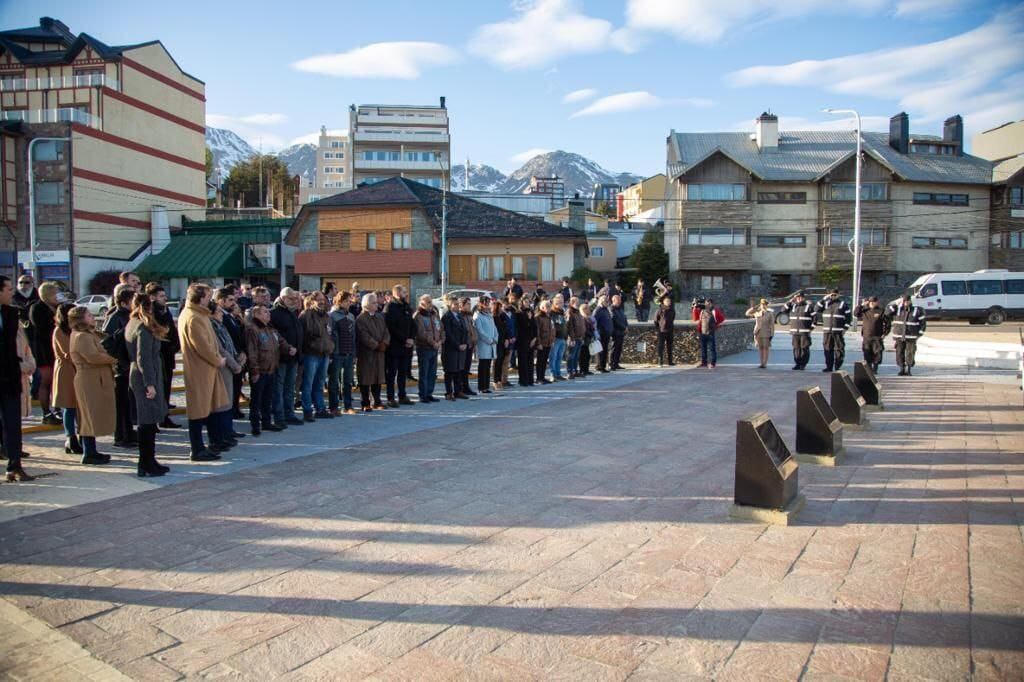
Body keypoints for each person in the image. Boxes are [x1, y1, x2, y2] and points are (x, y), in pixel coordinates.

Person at [178, 284, 227, 461]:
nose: (211, 300)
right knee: (198, 409)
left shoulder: (200, 315)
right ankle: (197, 448)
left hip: (207, 369)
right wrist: (218, 360)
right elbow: (202, 346)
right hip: (200, 369)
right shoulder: (193, 317)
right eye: (208, 296)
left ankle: (213, 442)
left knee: (209, 407)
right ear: (199, 298)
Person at [125, 294, 170, 477]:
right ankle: (146, 462)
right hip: (145, 376)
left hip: (142, 374)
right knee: (147, 421)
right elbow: (143, 357)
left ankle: (149, 461)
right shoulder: (142, 327)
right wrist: (150, 383)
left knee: (149, 421)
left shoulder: (132, 323)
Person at [68, 305, 115, 466]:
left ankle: (90, 450)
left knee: (89, 415)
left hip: (93, 376)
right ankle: (89, 452)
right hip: (89, 377)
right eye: (88, 315)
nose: (92, 317)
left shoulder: (87, 334)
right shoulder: (82, 336)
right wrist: (112, 358)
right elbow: (93, 357)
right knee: (88, 415)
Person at [1, 275, 34, 481]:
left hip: (10, 376)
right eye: (8, 289)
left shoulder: (12, 313)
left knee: (13, 422)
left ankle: (14, 465)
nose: (12, 292)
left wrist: (23, 365)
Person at [101, 284, 136, 448]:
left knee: (128, 402)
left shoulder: (130, 316)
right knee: (121, 403)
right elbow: (107, 342)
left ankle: (129, 432)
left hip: (128, 364)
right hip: (121, 368)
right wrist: (120, 362)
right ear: (123, 303)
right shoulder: (115, 317)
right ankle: (121, 435)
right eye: (132, 301)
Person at [246, 304, 289, 434]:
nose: (268, 314)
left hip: (271, 368)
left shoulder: (270, 328)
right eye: (265, 312)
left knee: (267, 399)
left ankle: (266, 422)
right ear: (257, 315)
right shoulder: (252, 329)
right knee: (256, 399)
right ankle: (255, 425)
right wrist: (254, 370)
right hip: (260, 370)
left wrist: (289, 348)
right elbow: (252, 351)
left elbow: (280, 341)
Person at [209, 300, 243, 451]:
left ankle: (228, 431)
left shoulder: (221, 325)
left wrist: (240, 356)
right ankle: (222, 435)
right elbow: (221, 349)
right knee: (222, 403)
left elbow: (231, 343)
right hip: (223, 367)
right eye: (218, 311)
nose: (221, 314)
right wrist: (235, 365)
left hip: (232, 363)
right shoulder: (212, 326)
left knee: (229, 401)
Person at [146, 283, 180, 428]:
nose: (164, 299)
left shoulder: (165, 311)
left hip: (169, 354)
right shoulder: (151, 313)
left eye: (164, 296)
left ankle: (164, 416)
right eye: (161, 296)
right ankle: (158, 417)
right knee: (159, 388)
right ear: (152, 298)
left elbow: (171, 330)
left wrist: (175, 345)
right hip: (160, 355)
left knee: (166, 387)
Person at [270, 288, 304, 426]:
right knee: (278, 388)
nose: (294, 301)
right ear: (283, 298)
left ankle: (289, 414)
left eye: (296, 299)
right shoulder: (274, 314)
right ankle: (279, 416)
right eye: (291, 299)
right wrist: (287, 348)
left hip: (294, 357)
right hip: (282, 357)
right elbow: (274, 336)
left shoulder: (293, 313)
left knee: (290, 388)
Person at [28, 281, 60, 424]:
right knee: (45, 381)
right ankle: (46, 412)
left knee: (56, 381)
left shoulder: (57, 308)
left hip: (55, 348)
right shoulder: (37, 308)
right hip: (43, 349)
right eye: (54, 294)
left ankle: (58, 408)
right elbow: (42, 329)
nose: (57, 297)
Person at [299, 291, 334, 420]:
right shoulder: (306, 315)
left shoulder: (326, 316)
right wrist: (312, 346)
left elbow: (329, 334)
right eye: (318, 299)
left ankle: (320, 409)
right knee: (308, 384)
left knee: (319, 383)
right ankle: (307, 410)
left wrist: (329, 347)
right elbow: (303, 336)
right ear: (312, 301)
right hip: (311, 354)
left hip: (324, 354)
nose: (321, 301)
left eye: (323, 299)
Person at [52, 302, 81, 454]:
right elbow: (67, 353)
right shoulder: (59, 331)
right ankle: (71, 438)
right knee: (69, 406)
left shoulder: (76, 329)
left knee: (79, 406)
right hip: (67, 370)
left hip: (79, 369)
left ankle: (82, 436)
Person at [216, 289, 247, 419]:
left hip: (237, 356)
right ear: (220, 300)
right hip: (229, 359)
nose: (234, 303)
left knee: (236, 387)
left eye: (234, 300)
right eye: (230, 300)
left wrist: (242, 352)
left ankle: (234, 410)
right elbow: (225, 341)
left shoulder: (229, 316)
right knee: (230, 390)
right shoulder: (219, 318)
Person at [356, 292, 389, 410]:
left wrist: (384, 343)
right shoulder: (361, 319)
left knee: (378, 377)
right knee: (366, 378)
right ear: (366, 304)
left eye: (376, 302)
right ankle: (365, 403)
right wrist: (376, 345)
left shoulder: (380, 316)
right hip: (367, 353)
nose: (377, 304)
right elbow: (364, 335)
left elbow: (386, 331)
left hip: (380, 353)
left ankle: (377, 401)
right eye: (374, 303)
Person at [383, 285, 415, 408]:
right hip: (394, 346)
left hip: (406, 346)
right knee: (391, 373)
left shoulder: (406, 306)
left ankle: (402, 396)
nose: (406, 294)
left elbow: (412, 324)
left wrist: (411, 338)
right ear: (396, 293)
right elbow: (390, 327)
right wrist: (404, 339)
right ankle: (390, 398)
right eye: (403, 292)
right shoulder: (390, 307)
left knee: (402, 373)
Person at [328, 292, 357, 414]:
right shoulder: (332, 316)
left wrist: (354, 354)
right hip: (336, 353)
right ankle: (334, 407)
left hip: (349, 353)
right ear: (340, 301)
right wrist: (331, 353)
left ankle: (348, 406)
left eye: (350, 301)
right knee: (334, 381)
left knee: (348, 381)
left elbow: (354, 336)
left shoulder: (351, 316)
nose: (349, 303)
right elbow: (330, 335)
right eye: (347, 301)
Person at [412, 294, 443, 403]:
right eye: (428, 302)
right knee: (424, 373)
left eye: (431, 301)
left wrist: (440, 341)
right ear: (422, 303)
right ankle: (423, 394)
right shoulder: (418, 316)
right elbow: (421, 333)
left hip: (435, 348)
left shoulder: (434, 314)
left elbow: (440, 329)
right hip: (424, 348)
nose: (431, 304)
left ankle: (429, 393)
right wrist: (433, 342)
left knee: (432, 372)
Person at [887, 294, 926, 376]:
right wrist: (896, 303)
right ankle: (901, 369)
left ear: (910, 301)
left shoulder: (917, 310)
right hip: (899, 336)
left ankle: (909, 369)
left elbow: (923, 323)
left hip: (911, 336)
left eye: (907, 301)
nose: (905, 302)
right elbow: (887, 312)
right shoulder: (897, 309)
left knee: (910, 353)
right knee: (899, 353)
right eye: (904, 301)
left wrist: (919, 334)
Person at [816, 288, 851, 372]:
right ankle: (829, 367)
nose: (833, 296)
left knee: (839, 349)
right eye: (832, 295)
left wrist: (845, 329)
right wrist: (824, 299)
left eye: (835, 295)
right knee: (828, 350)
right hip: (827, 332)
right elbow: (816, 309)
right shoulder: (826, 303)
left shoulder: (843, 304)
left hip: (838, 332)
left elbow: (848, 318)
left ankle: (838, 366)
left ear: (838, 295)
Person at [441, 295, 469, 399]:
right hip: (451, 348)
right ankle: (449, 392)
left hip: (461, 348)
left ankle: (458, 391)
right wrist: (458, 345)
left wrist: (464, 343)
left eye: (458, 304)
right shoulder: (446, 317)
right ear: (449, 305)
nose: (457, 306)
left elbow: (465, 331)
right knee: (450, 371)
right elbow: (448, 334)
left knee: (458, 371)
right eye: (455, 304)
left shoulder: (459, 316)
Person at [783, 290, 815, 371]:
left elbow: (815, 319)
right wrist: (791, 300)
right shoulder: (793, 306)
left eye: (800, 297)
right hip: (795, 332)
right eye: (797, 297)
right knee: (796, 348)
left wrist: (811, 329)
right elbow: (783, 310)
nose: (799, 299)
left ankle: (803, 364)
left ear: (803, 298)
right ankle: (797, 363)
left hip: (804, 332)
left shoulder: (808, 306)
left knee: (804, 348)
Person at [854, 296, 888, 372]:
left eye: (873, 302)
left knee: (877, 352)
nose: (872, 303)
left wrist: (885, 333)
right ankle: (868, 368)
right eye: (870, 302)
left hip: (877, 336)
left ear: (876, 302)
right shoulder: (864, 310)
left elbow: (887, 323)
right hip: (867, 336)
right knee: (867, 352)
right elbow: (855, 313)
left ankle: (875, 369)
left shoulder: (881, 311)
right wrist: (861, 305)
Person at [471, 296, 498, 394]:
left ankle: (486, 386)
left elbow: (494, 328)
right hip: (484, 345)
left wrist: (495, 338)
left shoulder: (489, 315)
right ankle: (482, 387)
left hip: (491, 344)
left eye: (488, 303)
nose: (487, 305)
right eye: (486, 303)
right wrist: (489, 340)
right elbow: (480, 331)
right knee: (482, 367)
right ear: (480, 304)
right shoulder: (477, 315)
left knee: (487, 367)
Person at [745, 298, 776, 369]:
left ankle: (765, 363)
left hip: (766, 333)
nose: (763, 306)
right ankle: (761, 363)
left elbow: (772, 325)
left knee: (766, 348)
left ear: (767, 305)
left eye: (765, 304)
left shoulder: (769, 313)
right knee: (760, 348)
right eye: (762, 304)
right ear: (760, 305)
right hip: (758, 333)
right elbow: (747, 313)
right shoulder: (757, 313)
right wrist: (753, 307)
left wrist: (772, 334)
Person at [514, 298, 536, 386]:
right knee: (523, 362)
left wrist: (534, 338)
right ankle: (523, 380)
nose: (527, 303)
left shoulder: (531, 312)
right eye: (525, 302)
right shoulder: (519, 313)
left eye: (528, 301)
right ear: (522, 303)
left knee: (530, 361)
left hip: (531, 340)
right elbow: (524, 326)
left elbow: (534, 327)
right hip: (522, 341)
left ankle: (530, 380)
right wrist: (529, 319)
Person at [459, 297, 478, 396]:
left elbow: (472, 329)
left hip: (470, 344)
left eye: (470, 304)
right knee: (462, 368)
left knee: (467, 368)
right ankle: (461, 388)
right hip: (463, 344)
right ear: (462, 305)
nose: (469, 306)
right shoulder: (460, 315)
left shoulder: (469, 316)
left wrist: (474, 340)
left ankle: (466, 387)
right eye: (467, 304)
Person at [533, 300, 555, 384]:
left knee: (545, 361)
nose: (549, 308)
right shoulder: (538, 317)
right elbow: (537, 331)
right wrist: (538, 343)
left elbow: (552, 329)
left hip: (548, 341)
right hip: (541, 342)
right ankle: (539, 378)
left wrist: (552, 340)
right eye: (547, 307)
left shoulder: (548, 317)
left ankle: (542, 377)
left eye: (549, 306)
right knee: (540, 361)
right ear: (542, 308)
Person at [548, 295, 569, 380]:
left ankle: (558, 373)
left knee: (559, 357)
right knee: (553, 357)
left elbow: (564, 325)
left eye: (561, 303)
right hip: (555, 338)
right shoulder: (552, 313)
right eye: (559, 303)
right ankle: (552, 374)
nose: (561, 304)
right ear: (554, 303)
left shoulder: (562, 312)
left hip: (563, 338)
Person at [491, 299, 509, 391]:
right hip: (497, 342)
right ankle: (495, 380)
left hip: (503, 342)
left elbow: (505, 329)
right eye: (501, 307)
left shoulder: (502, 316)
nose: (502, 308)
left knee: (501, 361)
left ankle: (499, 380)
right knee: (497, 362)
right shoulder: (493, 318)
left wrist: (506, 339)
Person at [566, 296, 586, 379]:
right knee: (571, 356)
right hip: (573, 338)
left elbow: (582, 325)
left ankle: (575, 370)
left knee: (576, 356)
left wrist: (582, 336)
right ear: (571, 303)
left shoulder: (578, 312)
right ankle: (570, 371)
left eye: (578, 302)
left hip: (580, 337)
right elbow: (569, 327)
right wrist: (572, 338)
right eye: (576, 302)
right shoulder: (569, 312)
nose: (578, 303)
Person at [654, 296, 676, 366]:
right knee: (661, 347)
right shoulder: (660, 310)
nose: (668, 302)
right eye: (667, 301)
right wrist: (659, 329)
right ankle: (660, 362)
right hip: (662, 331)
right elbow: (655, 320)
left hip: (670, 330)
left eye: (669, 301)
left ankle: (670, 361)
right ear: (663, 302)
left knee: (670, 347)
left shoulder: (672, 310)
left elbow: (672, 319)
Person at [697, 301, 719, 369]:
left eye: (709, 303)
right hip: (703, 332)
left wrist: (714, 328)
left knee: (712, 348)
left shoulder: (714, 311)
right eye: (706, 303)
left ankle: (713, 363)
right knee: (703, 349)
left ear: (712, 304)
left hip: (710, 333)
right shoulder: (702, 311)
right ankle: (704, 362)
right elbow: (699, 320)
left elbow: (719, 320)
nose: (707, 305)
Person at [609, 294, 628, 370]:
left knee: (619, 348)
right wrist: (624, 327)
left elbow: (624, 318)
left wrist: (626, 326)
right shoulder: (611, 309)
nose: (620, 301)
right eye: (618, 300)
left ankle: (616, 363)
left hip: (621, 332)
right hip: (615, 332)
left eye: (620, 300)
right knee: (614, 348)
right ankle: (611, 364)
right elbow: (615, 320)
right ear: (613, 300)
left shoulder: (620, 308)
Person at [594, 295, 612, 372]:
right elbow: (594, 322)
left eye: (608, 301)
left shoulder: (606, 310)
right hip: (601, 333)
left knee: (605, 350)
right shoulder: (598, 310)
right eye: (606, 301)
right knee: (600, 351)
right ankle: (600, 366)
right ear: (601, 301)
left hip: (606, 333)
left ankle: (603, 366)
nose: (607, 302)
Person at [579, 303, 596, 376]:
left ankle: (586, 369)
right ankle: (582, 370)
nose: (589, 310)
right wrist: (590, 334)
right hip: (584, 339)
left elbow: (592, 327)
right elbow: (584, 329)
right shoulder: (582, 318)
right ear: (584, 310)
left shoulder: (588, 317)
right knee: (583, 355)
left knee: (588, 355)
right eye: (587, 308)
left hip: (589, 338)